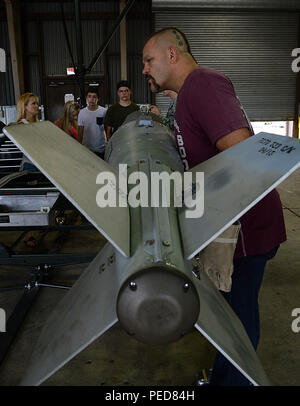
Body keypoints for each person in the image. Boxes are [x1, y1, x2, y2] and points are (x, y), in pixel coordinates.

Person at [142, 27, 286, 386]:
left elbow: (241, 150)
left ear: (172, 55)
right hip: (229, 223)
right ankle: (224, 376)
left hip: (245, 228)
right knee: (226, 315)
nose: (144, 69)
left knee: (237, 318)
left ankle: (237, 382)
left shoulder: (204, 83)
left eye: (149, 60)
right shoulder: (188, 94)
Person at [78, 89, 107, 159]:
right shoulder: (82, 112)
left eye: (94, 97)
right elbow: (80, 131)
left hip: (101, 148)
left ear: (98, 99)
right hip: (87, 149)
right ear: (86, 98)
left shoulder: (104, 111)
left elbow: (107, 128)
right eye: (89, 96)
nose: (91, 99)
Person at [16, 92, 39, 172]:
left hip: (42, 163)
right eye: (33, 103)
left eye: (37, 103)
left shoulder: (39, 125)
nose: (37, 106)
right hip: (30, 164)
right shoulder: (21, 125)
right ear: (25, 107)